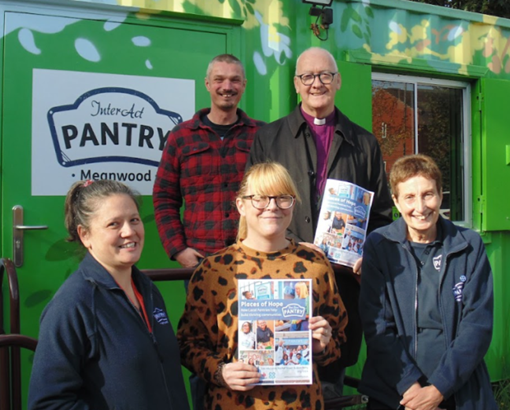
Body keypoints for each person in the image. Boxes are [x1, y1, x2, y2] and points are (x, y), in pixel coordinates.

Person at [246, 47, 393, 395]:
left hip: (338, 289)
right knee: (273, 388)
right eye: (308, 77)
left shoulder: (365, 143)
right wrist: (294, 243)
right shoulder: (269, 138)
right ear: (296, 84)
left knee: (329, 387)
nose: (317, 83)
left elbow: (382, 215)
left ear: (338, 81)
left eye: (325, 75)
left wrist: (367, 252)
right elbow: (253, 207)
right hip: (279, 282)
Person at [177, 162, 347, 410]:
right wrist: (220, 372)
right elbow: (186, 343)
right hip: (232, 403)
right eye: (260, 198)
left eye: (283, 198)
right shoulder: (215, 269)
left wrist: (322, 346)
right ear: (241, 205)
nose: (272, 207)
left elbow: (339, 338)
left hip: (301, 404)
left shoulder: (315, 264)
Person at [28, 180, 189, 410]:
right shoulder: (72, 306)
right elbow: (48, 404)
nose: (129, 231)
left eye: (134, 220)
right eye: (114, 224)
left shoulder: (147, 289)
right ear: (85, 235)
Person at [359, 155, 497, 410]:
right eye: (409, 197)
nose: (420, 207)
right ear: (396, 202)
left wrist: (438, 390)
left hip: (459, 391)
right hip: (395, 394)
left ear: (440, 196)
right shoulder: (379, 246)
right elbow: (377, 326)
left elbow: (477, 326)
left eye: (428, 194)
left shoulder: (468, 246)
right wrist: (411, 388)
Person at [153, 53, 265, 269]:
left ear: (244, 85)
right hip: (200, 261)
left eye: (234, 80)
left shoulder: (262, 135)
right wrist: (178, 250)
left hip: (253, 258)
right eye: (219, 79)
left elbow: (278, 194)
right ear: (207, 84)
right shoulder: (181, 136)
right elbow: (164, 198)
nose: (227, 86)